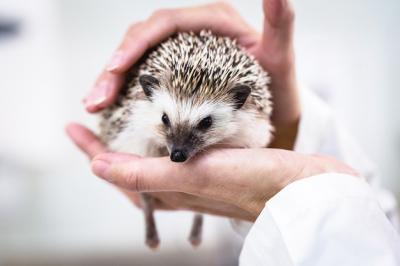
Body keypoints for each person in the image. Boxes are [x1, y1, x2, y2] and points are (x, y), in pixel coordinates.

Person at [66, 0, 400, 265]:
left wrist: (290, 194)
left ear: (240, 104)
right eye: (167, 121)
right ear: (150, 94)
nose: (178, 149)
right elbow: (377, 223)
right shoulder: (145, 110)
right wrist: (294, 136)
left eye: (205, 124)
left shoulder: (247, 116)